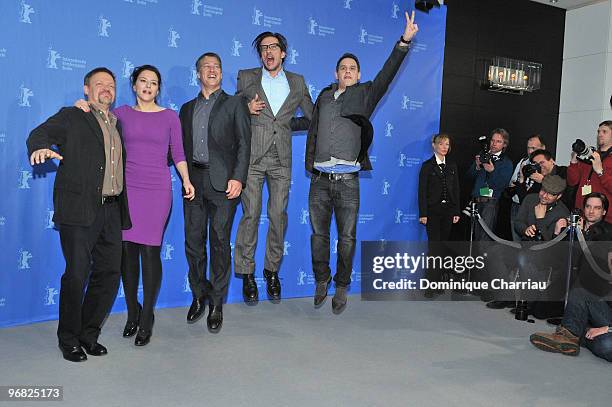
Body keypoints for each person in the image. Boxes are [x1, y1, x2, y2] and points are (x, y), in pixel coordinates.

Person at [306, 10, 418, 313]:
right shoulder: (324, 97)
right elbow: (308, 124)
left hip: (347, 184)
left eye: (352, 68)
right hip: (318, 181)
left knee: (346, 239)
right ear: (335, 73)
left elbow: (387, 74)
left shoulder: (365, 94)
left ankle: (341, 285)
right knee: (318, 236)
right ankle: (321, 279)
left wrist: (403, 41)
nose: (346, 71)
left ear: (357, 74)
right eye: (342, 67)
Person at [75, 65, 195, 346]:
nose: (148, 86)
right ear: (134, 85)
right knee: (127, 253)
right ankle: (132, 311)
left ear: (158, 88)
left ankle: (147, 317)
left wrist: (187, 181)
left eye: (154, 82)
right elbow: (97, 127)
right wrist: (83, 106)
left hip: (157, 190)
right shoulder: (120, 115)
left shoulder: (169, 117)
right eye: (143, 81)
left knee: (150, 252)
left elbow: (178, 152)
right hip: (126, 191)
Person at [27, 67, 131, 362]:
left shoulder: (116, 123)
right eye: (99, 84)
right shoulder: (73, 115)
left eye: (110, 85)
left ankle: (88, 334)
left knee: (109, 274)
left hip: (112, 209)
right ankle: (68, 338)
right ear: (87, 89)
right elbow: (41, 133)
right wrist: (40, 148)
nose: (106, 89)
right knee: (76, 275)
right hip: (79, 210)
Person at [233, 31, 313, 303]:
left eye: (273, 47)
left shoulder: (298, 82)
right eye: (263, 48)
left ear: (283, 53)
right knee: (251, 215)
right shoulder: (246, 77)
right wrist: (245, 108)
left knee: (278, 216)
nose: (268, 52)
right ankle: (246, 273)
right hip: (253, 158)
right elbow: (231, 111)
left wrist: (289, 126)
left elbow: (313, 118)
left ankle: (271, 271)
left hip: (282, 159)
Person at [180, 52, 251, 333]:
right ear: (198, 73)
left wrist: (239, 178)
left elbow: (245, 144)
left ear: (221, 73)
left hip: (224, 185)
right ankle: (199, 295)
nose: (212, 70)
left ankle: (217, 303)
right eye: (206, 67)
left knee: (220, 242)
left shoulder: (235, 104)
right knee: (193, 241)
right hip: (193, 182)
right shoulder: (185, 109)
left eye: (217, 67)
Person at [530, 194, 612, 360]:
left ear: (604, 212)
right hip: (577, 291)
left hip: (596, 293)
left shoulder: (608, 233)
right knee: (539, 310)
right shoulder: (573, 228)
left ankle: (574, 333)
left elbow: (595, 261)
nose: (591, 211)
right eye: (588, 206)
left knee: (606, 344)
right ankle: (574, 332)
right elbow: (554, 258)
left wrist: (607, 329)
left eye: (597, 208)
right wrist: (557, 233)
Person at [486, 175, 569, 310]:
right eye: (543, 191)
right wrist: (525, 229)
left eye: (551, 194)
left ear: (558, 196)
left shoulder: (562, 213)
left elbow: (551, 245)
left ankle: (529, 303)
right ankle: (506, 296)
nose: (545, 196)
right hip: (524, 245)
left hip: (546, 254)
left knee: (525, 258)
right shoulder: (530, 199)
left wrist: (540, 219)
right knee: (495, 252)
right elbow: (518, 223)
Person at [467, 128, 513, 241]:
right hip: (475, 201)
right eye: (492, 140)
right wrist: (477, 167)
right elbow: (469, 177)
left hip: (490, 202)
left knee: (484, 237)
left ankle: (482, 258)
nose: (494, 144)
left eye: (498, 141)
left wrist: (492, 171)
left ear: (504, 145)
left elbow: (502, 185)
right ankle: (473, 258)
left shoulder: (506, 162)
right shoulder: (482, 155)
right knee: (472, 236)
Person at [567, 120, 612, 223]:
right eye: (598, 131)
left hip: (605, 218)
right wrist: (573, 162)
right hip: (582, 215)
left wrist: (600, 172)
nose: (600, 134)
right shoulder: (590, 156)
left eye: (604, 132)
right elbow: (572, 181)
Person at [418, 133, 460, 241]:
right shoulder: (427, 166)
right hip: (433, 210)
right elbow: (422, 191)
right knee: (434, 243)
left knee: (444, 242)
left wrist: (456, 211)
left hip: (448, 210)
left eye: (447, 144)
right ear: (434, 145)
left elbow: (456, 189)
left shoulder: (452, 165)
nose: (445, 147)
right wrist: (423, 214)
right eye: (441, 144)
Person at [508, 135, 546, 241]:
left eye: (533, 148)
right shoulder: (523, 162)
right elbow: (512, 182)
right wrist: (521, 178)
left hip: (534, 209)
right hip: (517, 206)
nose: (530, 151)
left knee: (530, 243)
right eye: (528, 148)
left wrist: (542, 179)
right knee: (516, 242)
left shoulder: (546, 166)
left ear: (543, 148)